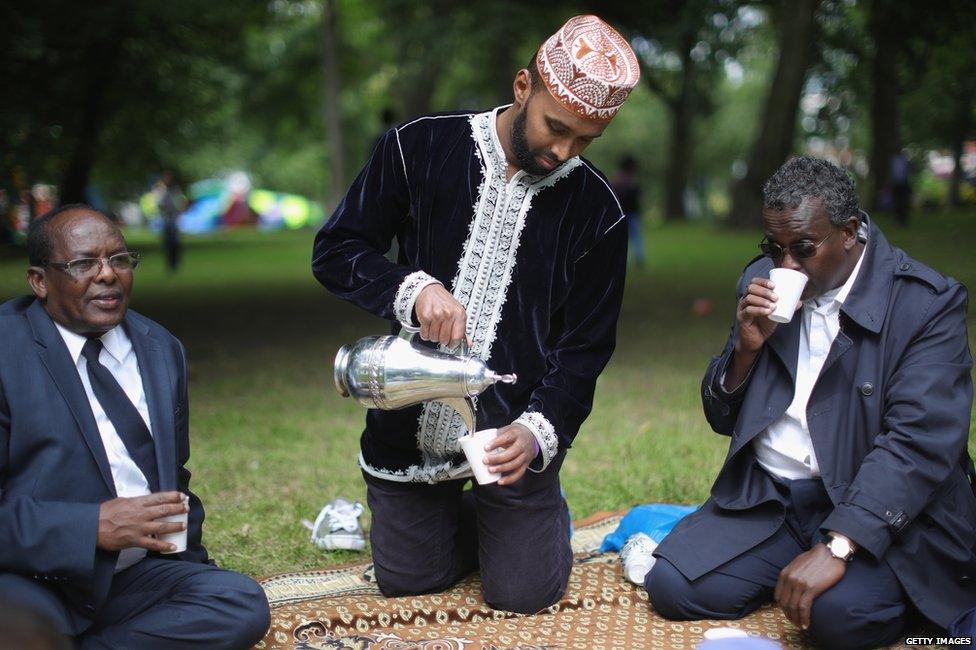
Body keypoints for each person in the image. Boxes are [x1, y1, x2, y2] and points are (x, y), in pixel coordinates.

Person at [312, 15, 640, 613]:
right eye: (556, 127)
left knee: (525, 593)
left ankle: (525, 519)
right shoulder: (419, 147)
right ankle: (462, 522)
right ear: (523, 87)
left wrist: (536, 433)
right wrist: (410, 290)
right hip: (406, 428)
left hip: (512, 436)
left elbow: (586, 349)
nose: (563, 152)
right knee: (411, 581)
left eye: (585, 140)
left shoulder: (600, 212)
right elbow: (337, 251)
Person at [646, 157, 976, 648]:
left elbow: (919, 445)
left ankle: (853, 577)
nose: (786, 266)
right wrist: (746, 349)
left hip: (877, 510)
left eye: (803, 248)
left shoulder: (926, 305)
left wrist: (841, 544)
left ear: (849, 231)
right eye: (773, 248)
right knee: (672, 587)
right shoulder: (762, 282)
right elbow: (721, 417)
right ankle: (791, 564)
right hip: (771, 501)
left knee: (834, 621)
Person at [0, 205, 270, 648]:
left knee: (239, 603)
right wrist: (90, 528)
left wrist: (190, 561)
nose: (107, 275)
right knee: (19, 631)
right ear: (39, 281)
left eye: (119, 259)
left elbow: (174, 476)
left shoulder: (161, 349)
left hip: (133, 577)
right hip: (33, 577)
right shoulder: (7, 350)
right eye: (83, 263)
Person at [613, 154, 644, 267]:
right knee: (634, 237)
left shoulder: (619, 179)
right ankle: (636, 259)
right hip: (627, 213)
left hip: (626, 213)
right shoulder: (628, 180)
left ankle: (636, 259)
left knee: (631, 238)